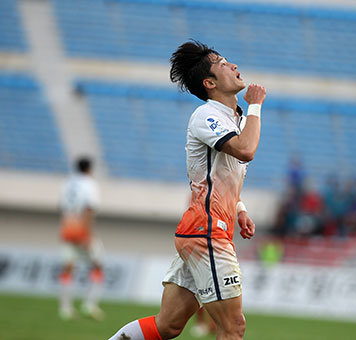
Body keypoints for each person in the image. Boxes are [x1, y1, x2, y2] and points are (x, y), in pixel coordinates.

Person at [109, 40, 266, 340]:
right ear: (209, 83)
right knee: (233, 327)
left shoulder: (237, 120)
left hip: (202, 231)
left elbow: (222, 177)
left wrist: (240, 208)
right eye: (222, 63)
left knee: (166, 326)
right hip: (206, 233)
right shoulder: (206, 116)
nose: (232, 65)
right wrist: (257, 103)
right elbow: (246, 151)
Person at [58, 156, 104, 321]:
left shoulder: (68, 183)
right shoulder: (89, 184)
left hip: (67, 228)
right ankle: (89, 304)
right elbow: (89, 209)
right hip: (81, 230)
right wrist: (87, 234)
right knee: (98, 266)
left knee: (68, 268)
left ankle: (65, 308)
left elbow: (63, 207)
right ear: (89, 169)